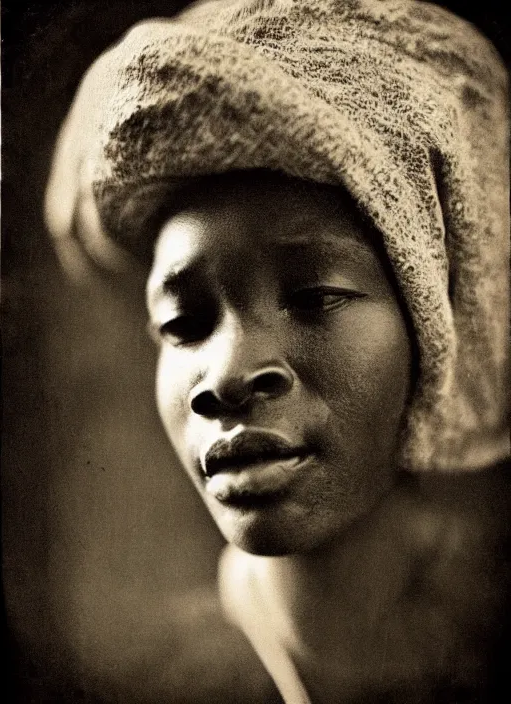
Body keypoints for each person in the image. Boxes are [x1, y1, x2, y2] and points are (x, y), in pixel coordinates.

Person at [44, 0, 510, 701]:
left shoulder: (488, 637)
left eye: (315, 296)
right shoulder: (138, 680)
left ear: (439, 319)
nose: (225, 376)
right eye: (184, 323)